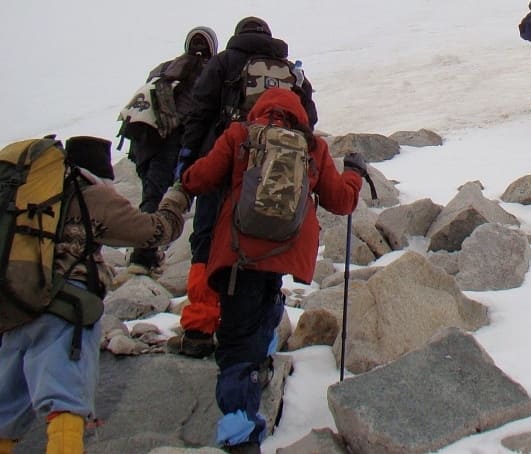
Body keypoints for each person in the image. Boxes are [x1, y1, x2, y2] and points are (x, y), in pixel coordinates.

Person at [181, 88, 364, 453]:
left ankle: (240, 433)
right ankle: (259, 366)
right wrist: (355, 174)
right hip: (282, 256)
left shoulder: (239, 135)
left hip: (238, 255)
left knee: (234, 346)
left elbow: (198, 180)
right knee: (265, 304)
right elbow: (342, 201)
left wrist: (183, 177)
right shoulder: (312, 146)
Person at [0, 136, 189, 454]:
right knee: (66, 401)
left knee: (4, 412)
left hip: (13, 306)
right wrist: (178, 197)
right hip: (65, 311)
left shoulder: (33, 195)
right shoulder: (93, 196)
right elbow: (155, 231)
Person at [169, 16, 316, 359]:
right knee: (265, 242)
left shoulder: (224, 63)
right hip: (272, 174)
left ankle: (200, 327)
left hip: (223, 163)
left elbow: (199, 111)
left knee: (206, 242)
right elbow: (308, 119)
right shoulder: (289, 71)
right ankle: (258, 334)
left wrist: (190, 159)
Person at [122, 26, 217, 274]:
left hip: (148, 142)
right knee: (182, 197)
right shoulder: (210, 70)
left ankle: (143, 254)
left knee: (152, 196)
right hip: (179, 142)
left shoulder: (164, 69)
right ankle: (152, 256)